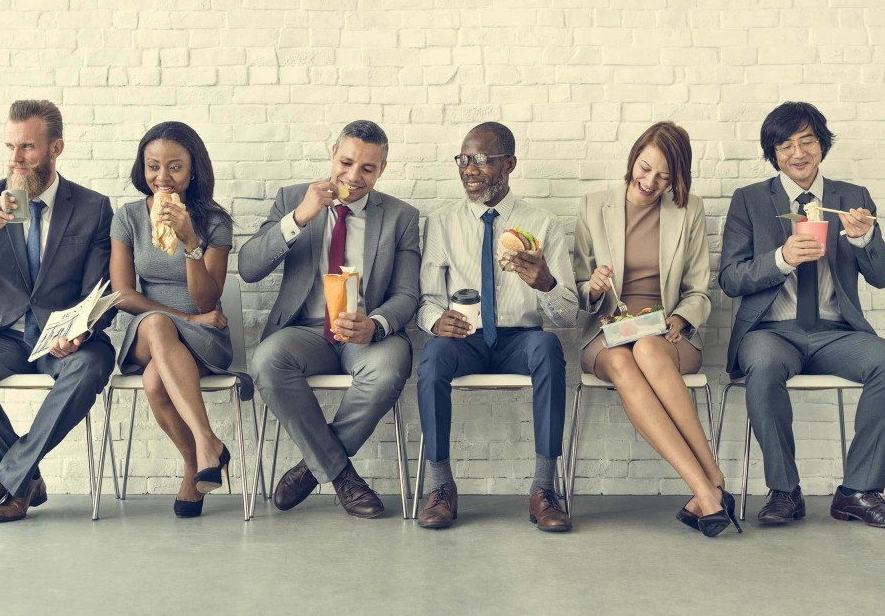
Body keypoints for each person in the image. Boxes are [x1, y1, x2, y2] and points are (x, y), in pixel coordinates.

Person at [719, 101, 885, 528]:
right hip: (771, 332)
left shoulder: (852, 198)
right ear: (774, 155)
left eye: (807, 140)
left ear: (822, 146)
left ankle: (858, 492)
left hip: (836, 334)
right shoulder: (749, 200)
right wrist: (781, 259)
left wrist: (865, 242)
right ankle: (784, 492)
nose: (798, 153)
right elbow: (730, 279)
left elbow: (883, 277)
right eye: (785, 145)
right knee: (765, 365)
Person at [0, 99, 115, 524]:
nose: (16, 159)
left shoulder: (92, 207)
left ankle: (4, 479)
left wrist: (80, 332)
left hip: (63, 339)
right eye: (10, 146)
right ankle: (24, 478)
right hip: (2, 336)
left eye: (28, 147)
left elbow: (99, 290)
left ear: (57, 148)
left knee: (91, 367)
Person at [239, 120, 419, 519]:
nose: (353, 177)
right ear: (332, 152)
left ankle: (310, 469)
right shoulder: (293, 199)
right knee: (267, 360)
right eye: (346, 162)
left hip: (368, 334)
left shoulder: (401, 217)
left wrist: (375, 323)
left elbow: (407, 295)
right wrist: (299, 217)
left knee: (389, 370)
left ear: (382, 170)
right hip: (306, 332)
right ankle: (342, 477)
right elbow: (249, 267)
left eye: (367, 169)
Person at [575, 121, 737, 537]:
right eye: (644, 169)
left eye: (664, 176)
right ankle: (708, 485)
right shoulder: (593, 206)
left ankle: (709, 488)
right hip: (608, 333)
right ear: (632, 159)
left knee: (646, 349)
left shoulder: (690, 209)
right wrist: (591, 287)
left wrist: (679, 319)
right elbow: (576, 289)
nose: (649, 182)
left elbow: (700, 290)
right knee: (627, 362)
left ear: (677, 178)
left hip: (668, 334)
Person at [415, 122, 578, 532]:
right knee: (432, 356)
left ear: (510, 164)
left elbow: (569, 315)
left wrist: (546, 284)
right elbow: (427, 300)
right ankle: (441, 487)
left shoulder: (542, 224)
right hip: (464, 338)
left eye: (483, 160)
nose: (470, 169)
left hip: (518, 340)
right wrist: (437, 321)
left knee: (548, 347)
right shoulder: (442, 223)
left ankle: (543, 489)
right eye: (464, 159)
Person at [110, 122, 238, 518]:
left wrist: (190, 242)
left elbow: (207, 297)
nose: (162, 178)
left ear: (194, 170)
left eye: (175, 167)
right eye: (152, 166)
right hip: (152, 331)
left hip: (203, 341)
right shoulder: (128, 217)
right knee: (155, 323)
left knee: (154, 382)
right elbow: (124, 295)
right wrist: (188, 317)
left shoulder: (215, 221)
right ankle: (206, 441)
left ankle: (192, 465)